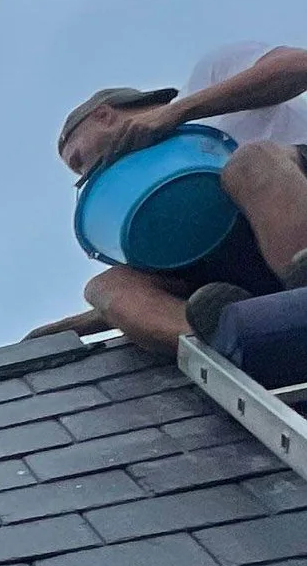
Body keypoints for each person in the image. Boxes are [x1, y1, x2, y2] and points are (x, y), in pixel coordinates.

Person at [34, 39, 307, 353]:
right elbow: (172, 283)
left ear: (103, 116)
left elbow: (299, 66)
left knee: (249, 161)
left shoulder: (211, 76)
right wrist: (76, 326)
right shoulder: (165, 204)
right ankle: (223, 344)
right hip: (245, 264)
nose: (85, 175)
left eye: (78, 159)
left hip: (295, 182)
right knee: (105, 285)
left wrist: (179, 113)